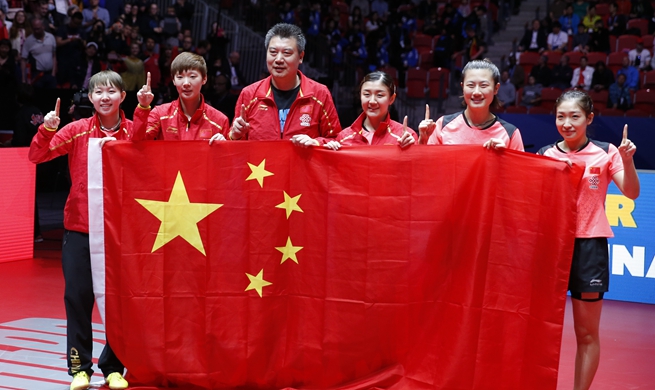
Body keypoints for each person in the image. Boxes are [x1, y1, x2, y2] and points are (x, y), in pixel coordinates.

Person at [28, 70, 149, 390]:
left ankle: (113, 366)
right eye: (98, 92)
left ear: (123, 96)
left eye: (111, 91)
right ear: (90, 98)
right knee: (78, 298)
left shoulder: (134, 131)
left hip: (121, 232)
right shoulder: (77, 130)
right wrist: (46, 129)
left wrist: (145, 110)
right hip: (79, 227)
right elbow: (37, 155)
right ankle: (80, 368)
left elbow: (149, 147)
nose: (105, 97)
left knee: (118, 302)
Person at [537, 89, 639, 390]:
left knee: (587, 334)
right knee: (540, 330)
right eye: (560, 116)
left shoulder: (606, 151)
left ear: (589, 118)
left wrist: (627, 160)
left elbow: (631, 192)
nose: (566, 123)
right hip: (552, 247)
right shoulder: (546, 154)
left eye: (574, 116)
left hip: (589, 247)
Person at [228, 23, 341, 145]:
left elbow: (335, 140)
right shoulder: (249, 94)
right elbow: (233, 144)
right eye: (273, 52)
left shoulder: (320, 94)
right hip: (261, 165)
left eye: (287, 53)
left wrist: (316, 142)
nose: (278, 59)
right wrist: (235, 135)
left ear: (301, 57)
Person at [418, 59, 524, 151]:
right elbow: (429, 168)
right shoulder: (443, 125)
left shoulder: (510, 133)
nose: (476, 92)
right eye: (470, 85)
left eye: (483, 85)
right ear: (462, 87)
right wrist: (423, 142)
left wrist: (505, 157)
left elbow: (519, 173)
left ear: (496, 89)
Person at [139, 51, 229, 143]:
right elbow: (138, 144)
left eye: (192, 76)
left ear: (204, 79)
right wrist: (143, 107)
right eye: (180, 77)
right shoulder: (160, 114)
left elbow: (228, 156)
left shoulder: (220, 121)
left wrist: (223, 148)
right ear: (173, 80)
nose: (186, 83)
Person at [323, 71, 415, 150]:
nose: (372, 101)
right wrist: (331, 153)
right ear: (360, 96)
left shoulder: (406, 137)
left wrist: (416, 146)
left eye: (379, 95)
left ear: (391, 99)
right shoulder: (344, 137)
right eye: (367, 94)